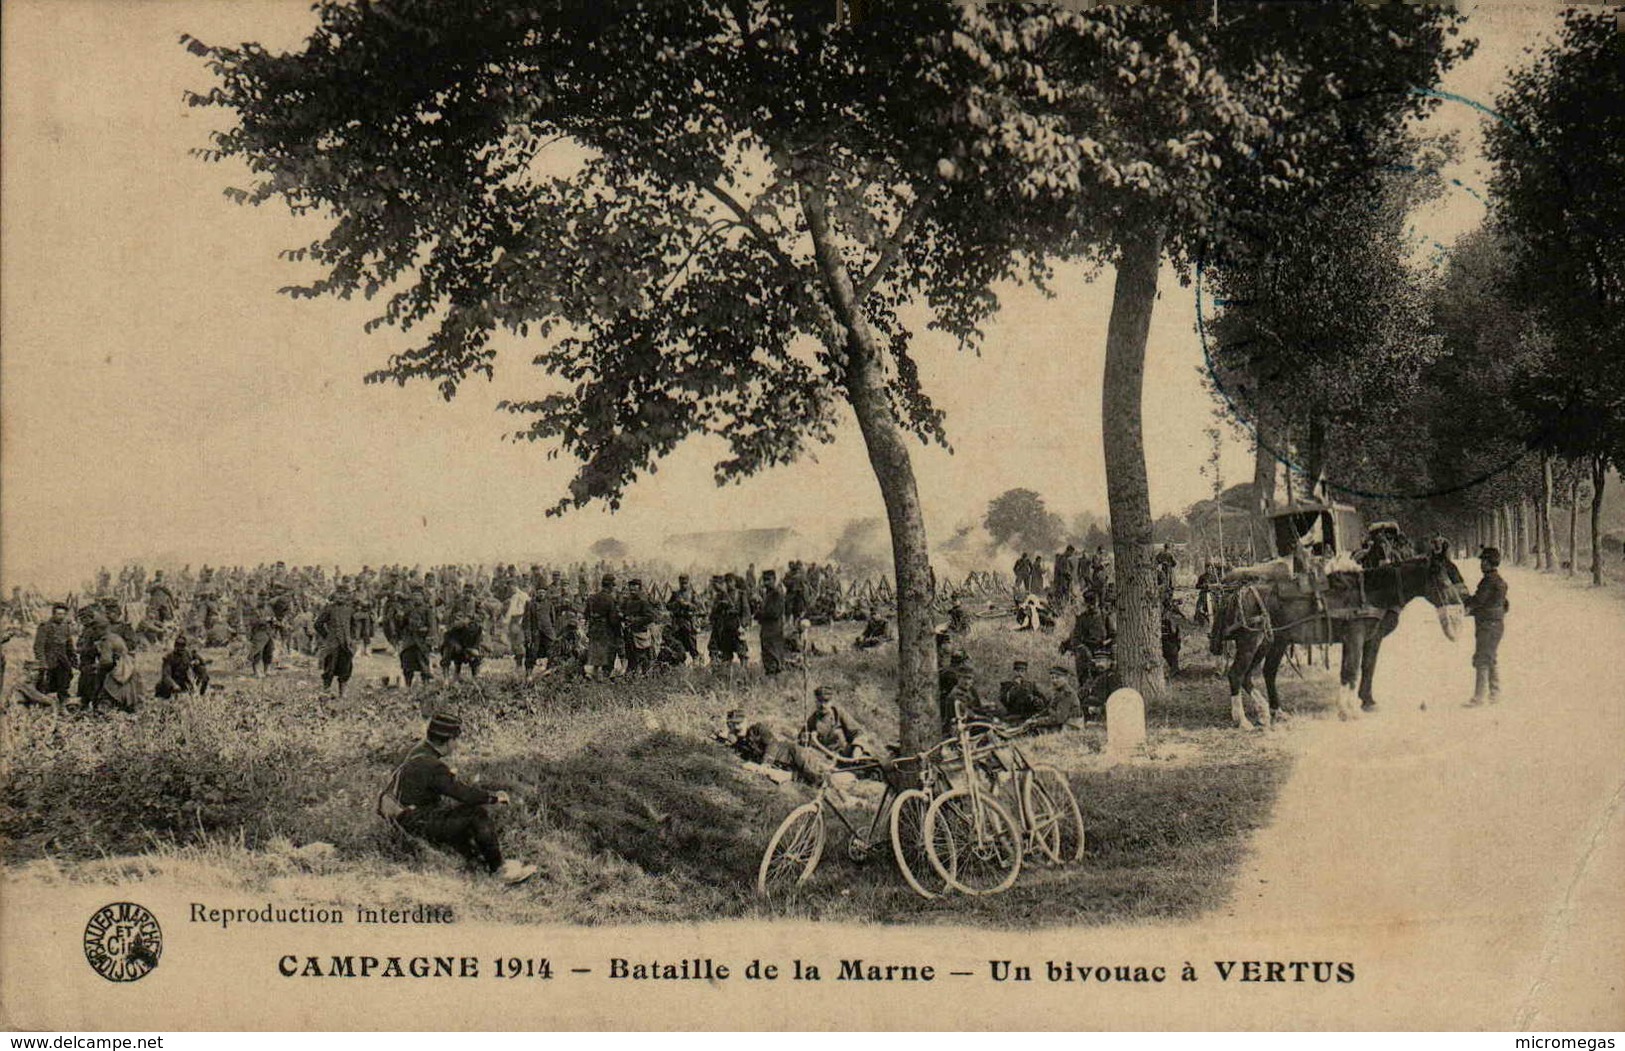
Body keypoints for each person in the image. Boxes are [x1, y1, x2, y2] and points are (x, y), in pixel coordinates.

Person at [379, 712, 537, 885]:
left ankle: (475, 861)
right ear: (449, 740)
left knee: (453, 815)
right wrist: (493, 798)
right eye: (456, 739)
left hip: (404, 818)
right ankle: (498, 869)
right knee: (476, 814)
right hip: (415, 822)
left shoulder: (417, 751)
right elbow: (462, 794)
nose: (457, 745)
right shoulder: (433, 765)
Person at [1464, 546, 1509, 707]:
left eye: (1484, 560)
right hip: (1496, 624)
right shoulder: (1499, 580)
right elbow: (1505, 605)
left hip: (1487, 625)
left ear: (1490, 563)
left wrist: (1465, 606)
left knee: (1482, 658)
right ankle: (1495, 694)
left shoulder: (1488, 581)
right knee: (1490, 657)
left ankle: (1479, 698)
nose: (1481, 564)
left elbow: (1478, 601)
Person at [314, 586, 357, 696]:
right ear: (335, 595)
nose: (341, 596)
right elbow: (318, 624)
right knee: (330, 666)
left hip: (346, 644)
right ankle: (326, 689)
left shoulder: (349, 610)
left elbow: (353, 625)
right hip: (332, 643)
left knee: (346, 666)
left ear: (347, 596)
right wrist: (327, 636)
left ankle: (342, 692)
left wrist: (351, 638)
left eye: (344, 594)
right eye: (339, 594)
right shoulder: (329, 609)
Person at [395, 583, 438, 687]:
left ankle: (426, 685)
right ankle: (408, 685)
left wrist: (428, 635)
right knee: (407, 663)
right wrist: (399, 617)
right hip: (409, 641)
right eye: (414, 596)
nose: (416, 598)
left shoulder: (428, 610)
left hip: (422, 641)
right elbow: (402, 625)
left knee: (423, 663)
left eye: (419, 595)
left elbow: (432, 626)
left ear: (423, 597)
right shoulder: (408, 609)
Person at [32, 603, 75, 703]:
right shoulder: (45, 626)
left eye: (63, 614)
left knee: (64, 680)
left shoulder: (66, 626)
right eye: (59, 614)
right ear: (53, 614)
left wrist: (73, 658)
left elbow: (69, 644)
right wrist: (42, 662)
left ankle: (63, 701)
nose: (61, 616)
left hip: (62, 659)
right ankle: (43, 702)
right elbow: (39, 646)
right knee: (46, 683)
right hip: (49, 660)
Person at [584, 574, 622, 679]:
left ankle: (591, 673)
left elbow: (586, 614)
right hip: (605, 629)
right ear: (610, 586)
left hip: (593, 628)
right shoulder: (610, 600)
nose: (613, 588)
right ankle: (605, 675)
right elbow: (613, 620)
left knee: (594, 650)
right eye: (613, 586)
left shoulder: (592, 598)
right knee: (607, 652)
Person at [156, 633, 210, 699]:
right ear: (175, 646)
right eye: (178, 645)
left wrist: (196, 663)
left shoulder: (189, 654)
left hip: (186, 681)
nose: (180, 648)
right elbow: (166, 675)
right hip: (174, 681)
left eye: (182, 645)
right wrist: (173, 685)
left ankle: (201, 694)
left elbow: (202, 662)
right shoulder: (169, 657)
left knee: (202, 671)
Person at [756, 569, 787, 675]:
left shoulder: (777, 594)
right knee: (767, 653)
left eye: (768, 580)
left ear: (774, 579)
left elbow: (774, 613)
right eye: (764, 580)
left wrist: (761, 614)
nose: (766, 583)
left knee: (773, 653)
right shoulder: (768, 594)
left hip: (774, 629)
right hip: (767, 629)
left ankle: (775, 678)